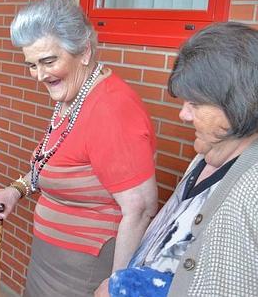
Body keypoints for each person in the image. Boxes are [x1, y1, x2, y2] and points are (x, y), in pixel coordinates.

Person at [0, 0, 158, 297]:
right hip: (51, 263)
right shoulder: (73, 96)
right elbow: (53, 163)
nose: (39, 75)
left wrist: (118, 285)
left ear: (85, 51)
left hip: (85, 271)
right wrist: (16, 190)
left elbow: (140, 208)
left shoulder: (111, 107)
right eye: (32, 65)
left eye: (49, 61)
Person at [96, 22, 258, 297]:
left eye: (194, 104)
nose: (183, 114)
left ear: (238, 104)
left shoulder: (252, 188)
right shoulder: (207, 152)